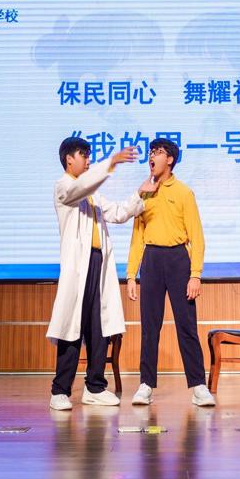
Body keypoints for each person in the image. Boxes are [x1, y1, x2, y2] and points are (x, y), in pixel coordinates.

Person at [48, 137, 158, 411]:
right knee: (72, 327)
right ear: (68, 159)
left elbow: (119, 213)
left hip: (98, 264)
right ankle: (60, 390)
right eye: (83, 155)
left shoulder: (93, 196)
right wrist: (111, 162)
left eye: (89, 156)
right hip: (78, 267)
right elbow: (81, 186)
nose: (88, 160)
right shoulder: (64, 187)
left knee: (99, 328)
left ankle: (95, 387)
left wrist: (140, 194)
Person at [126, 138, 216, 407]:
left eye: (158, 152)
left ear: (170, 159)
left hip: (178, 260)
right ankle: (146, 385)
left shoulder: (184, 192)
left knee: (186, 326)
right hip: (152, 260)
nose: (152, 156)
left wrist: (195, 274)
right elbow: (137, 237)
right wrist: (131, 275)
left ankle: (198, 386)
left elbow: (197, 237)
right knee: (149, 327)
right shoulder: (144, 192)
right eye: (151, 152)